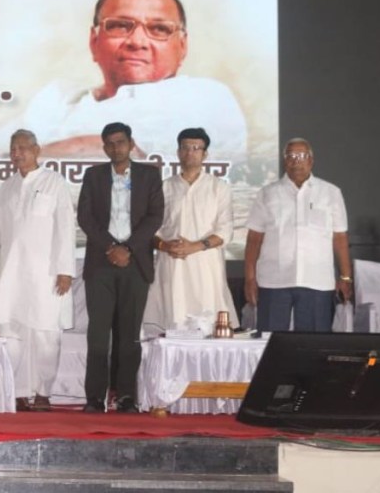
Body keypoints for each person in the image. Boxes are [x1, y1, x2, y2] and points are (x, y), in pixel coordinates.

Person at [0, 0, 246, 180]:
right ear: (94, 41)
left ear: (183, 45)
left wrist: (22, 157)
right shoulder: (57, 98)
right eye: (120, 25)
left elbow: (121, 152)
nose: (137, 41)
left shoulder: (205, 96)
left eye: (159, 29)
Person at [0, 130, 75, 412]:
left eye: (23, 148)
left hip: (46, 273)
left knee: (47, 335)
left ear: (37, 150)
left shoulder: (54, 182)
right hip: (12, 272)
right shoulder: (8, 186)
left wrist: (65, 270)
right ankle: (17, 392)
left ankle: (43, 392)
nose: (17, 153)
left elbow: (66, 227)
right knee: (11, 334)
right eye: (13, 148)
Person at [78, 122, 163, 413]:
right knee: (98, 336)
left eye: (121, 142)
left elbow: (155, 216)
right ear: (104, 148)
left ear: (131, 144)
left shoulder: (150, 175)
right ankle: (94, 398)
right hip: (101, 264)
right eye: (110, 144)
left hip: (135, 263)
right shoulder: (93, 176)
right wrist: (110, 248)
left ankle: (126, 397)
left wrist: (128, 249)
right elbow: (85, 217)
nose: (116, 148)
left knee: (129, 336)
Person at [244, 138, 352, 332]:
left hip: (317, 280)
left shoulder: (331, 193)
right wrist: (250, 279)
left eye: (301, 155)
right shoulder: (267, 193)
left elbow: (340, 238)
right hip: (273, 280)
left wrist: (345, 277)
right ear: (284, 161)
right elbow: (254, 240)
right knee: (269, 340)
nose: (296, 160)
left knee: (313, 343)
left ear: (311, 160)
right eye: (291, 156)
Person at [142, 128, 237, 334]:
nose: (190, 152)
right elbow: (149, 230)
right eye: (185, 147)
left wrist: (194, 246)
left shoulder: (219, 187)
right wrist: (165, 246)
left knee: (208, 324)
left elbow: (225, 230)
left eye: (196, 148)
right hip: (172, 264)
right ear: (178, 152)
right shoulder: (164, 188)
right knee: (171, 324)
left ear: (205, 154)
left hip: (205, 265)